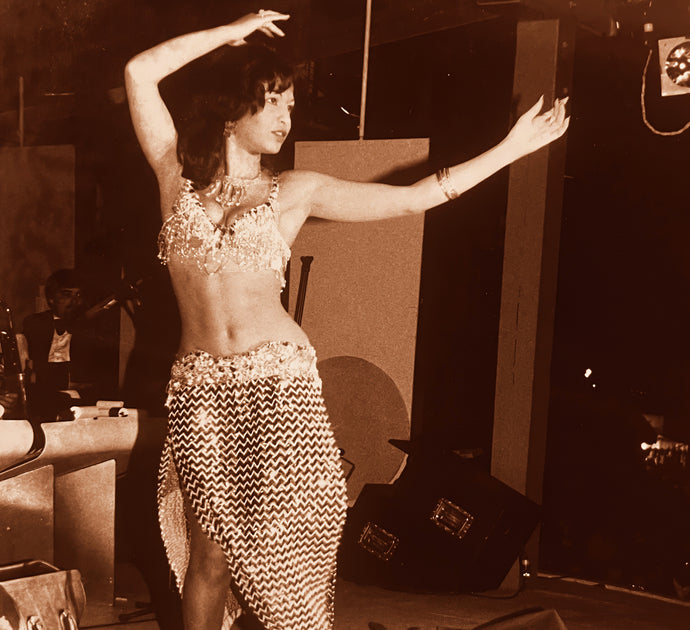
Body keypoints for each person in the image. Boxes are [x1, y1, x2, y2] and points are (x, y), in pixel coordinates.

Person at [124, 10, 569, 630]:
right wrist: (230, 34)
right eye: (272, 101)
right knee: (209, 555)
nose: (285, 116)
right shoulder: (174, 178)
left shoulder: (294, 191)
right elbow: (140, 71)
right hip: (199, 392)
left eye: (290, 102)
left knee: (289, 560)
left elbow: (417, 197)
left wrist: (511, 148)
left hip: (279, 391)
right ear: (232, 111)